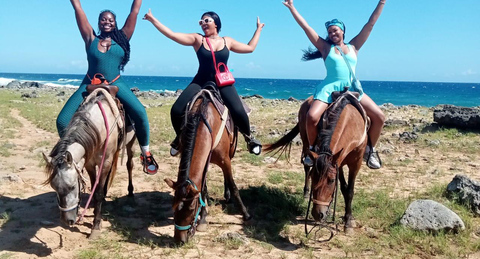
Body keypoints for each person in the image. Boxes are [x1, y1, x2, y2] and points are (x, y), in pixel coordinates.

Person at [143, 9, 264, 156]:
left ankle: (249, 139)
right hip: (201, 80)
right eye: (201, 22)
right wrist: (152, 19)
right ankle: (180, 138)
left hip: (222, 82)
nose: (203, 24)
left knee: (239, 111)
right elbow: (173, 35)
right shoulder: (198, 39)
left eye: (207, 20)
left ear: (216, 23)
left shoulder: (227, 41)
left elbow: (250, 48)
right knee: (176, 110)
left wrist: (258, 29)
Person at [57, 0, 158, 175]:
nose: (107, 22)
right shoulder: (90, 38)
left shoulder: (123, 37)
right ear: (98, 23)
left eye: (110, 20)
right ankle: (73, 154)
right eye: (103, 19)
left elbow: (134, 11)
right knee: (62, 121)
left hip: (116, 83)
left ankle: (146, 152)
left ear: (115, 23)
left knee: (140, 113)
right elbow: (78, 8)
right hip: (89, 83)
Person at [283, 0, 386, 169]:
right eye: (330, 32)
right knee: (311, 117)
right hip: (329, 88)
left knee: (380, 117)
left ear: (342, 31)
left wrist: (381, 2)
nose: (332, 34)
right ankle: (311, 149)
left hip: (352, 88)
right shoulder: (325, 48)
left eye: (335, 30)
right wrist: (292, 8)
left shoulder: (355, 46)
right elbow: (306, 27)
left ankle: (370, 150)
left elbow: (371, 24)